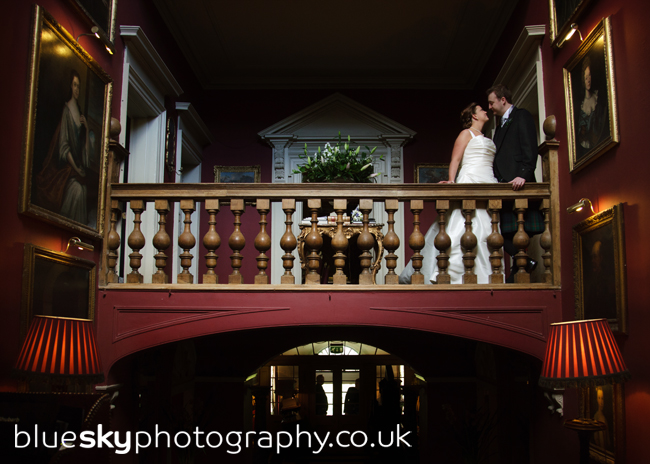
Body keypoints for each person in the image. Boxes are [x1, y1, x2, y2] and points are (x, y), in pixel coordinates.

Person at [399, 102, 502, 284]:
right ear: (474, 116)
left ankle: (485, 275)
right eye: (481, 110)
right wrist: (452, 180)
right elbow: (455, 159)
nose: (486, 111)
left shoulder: (487, 136)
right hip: (471, 179)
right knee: (464, 224)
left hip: (488, 181)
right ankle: (454, 274)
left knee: (486, 227)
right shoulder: (466, 134)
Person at [487, 84, 543, 279]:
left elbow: (530, 148)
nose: (490, 107)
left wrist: (524, 174)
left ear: (503, 100)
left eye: (491, 103)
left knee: (514, 232)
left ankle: (520, 267)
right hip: (504, 187)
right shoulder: (499, 127)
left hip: (518, 185)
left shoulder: (522, 116)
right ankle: (524, 263)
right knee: (502, 233)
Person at [36, 69, 90, 225]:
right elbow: (64, 147)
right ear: (70, 87)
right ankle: (70, 227)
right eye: (74, 85)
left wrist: (86, 130)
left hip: (76, 165)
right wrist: (77, 169)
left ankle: (76, 229)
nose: (77, 89)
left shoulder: (80, 113)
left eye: (79, 86)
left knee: (83, 190)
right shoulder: (66, 110)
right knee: (77, 191)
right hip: (66, 166)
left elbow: (83, 149)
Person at [576, 56, 608, 161]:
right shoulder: (581, 106)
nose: (588, 80)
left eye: (589, 75)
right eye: (586, 78)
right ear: (583, 80)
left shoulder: (598, 98)